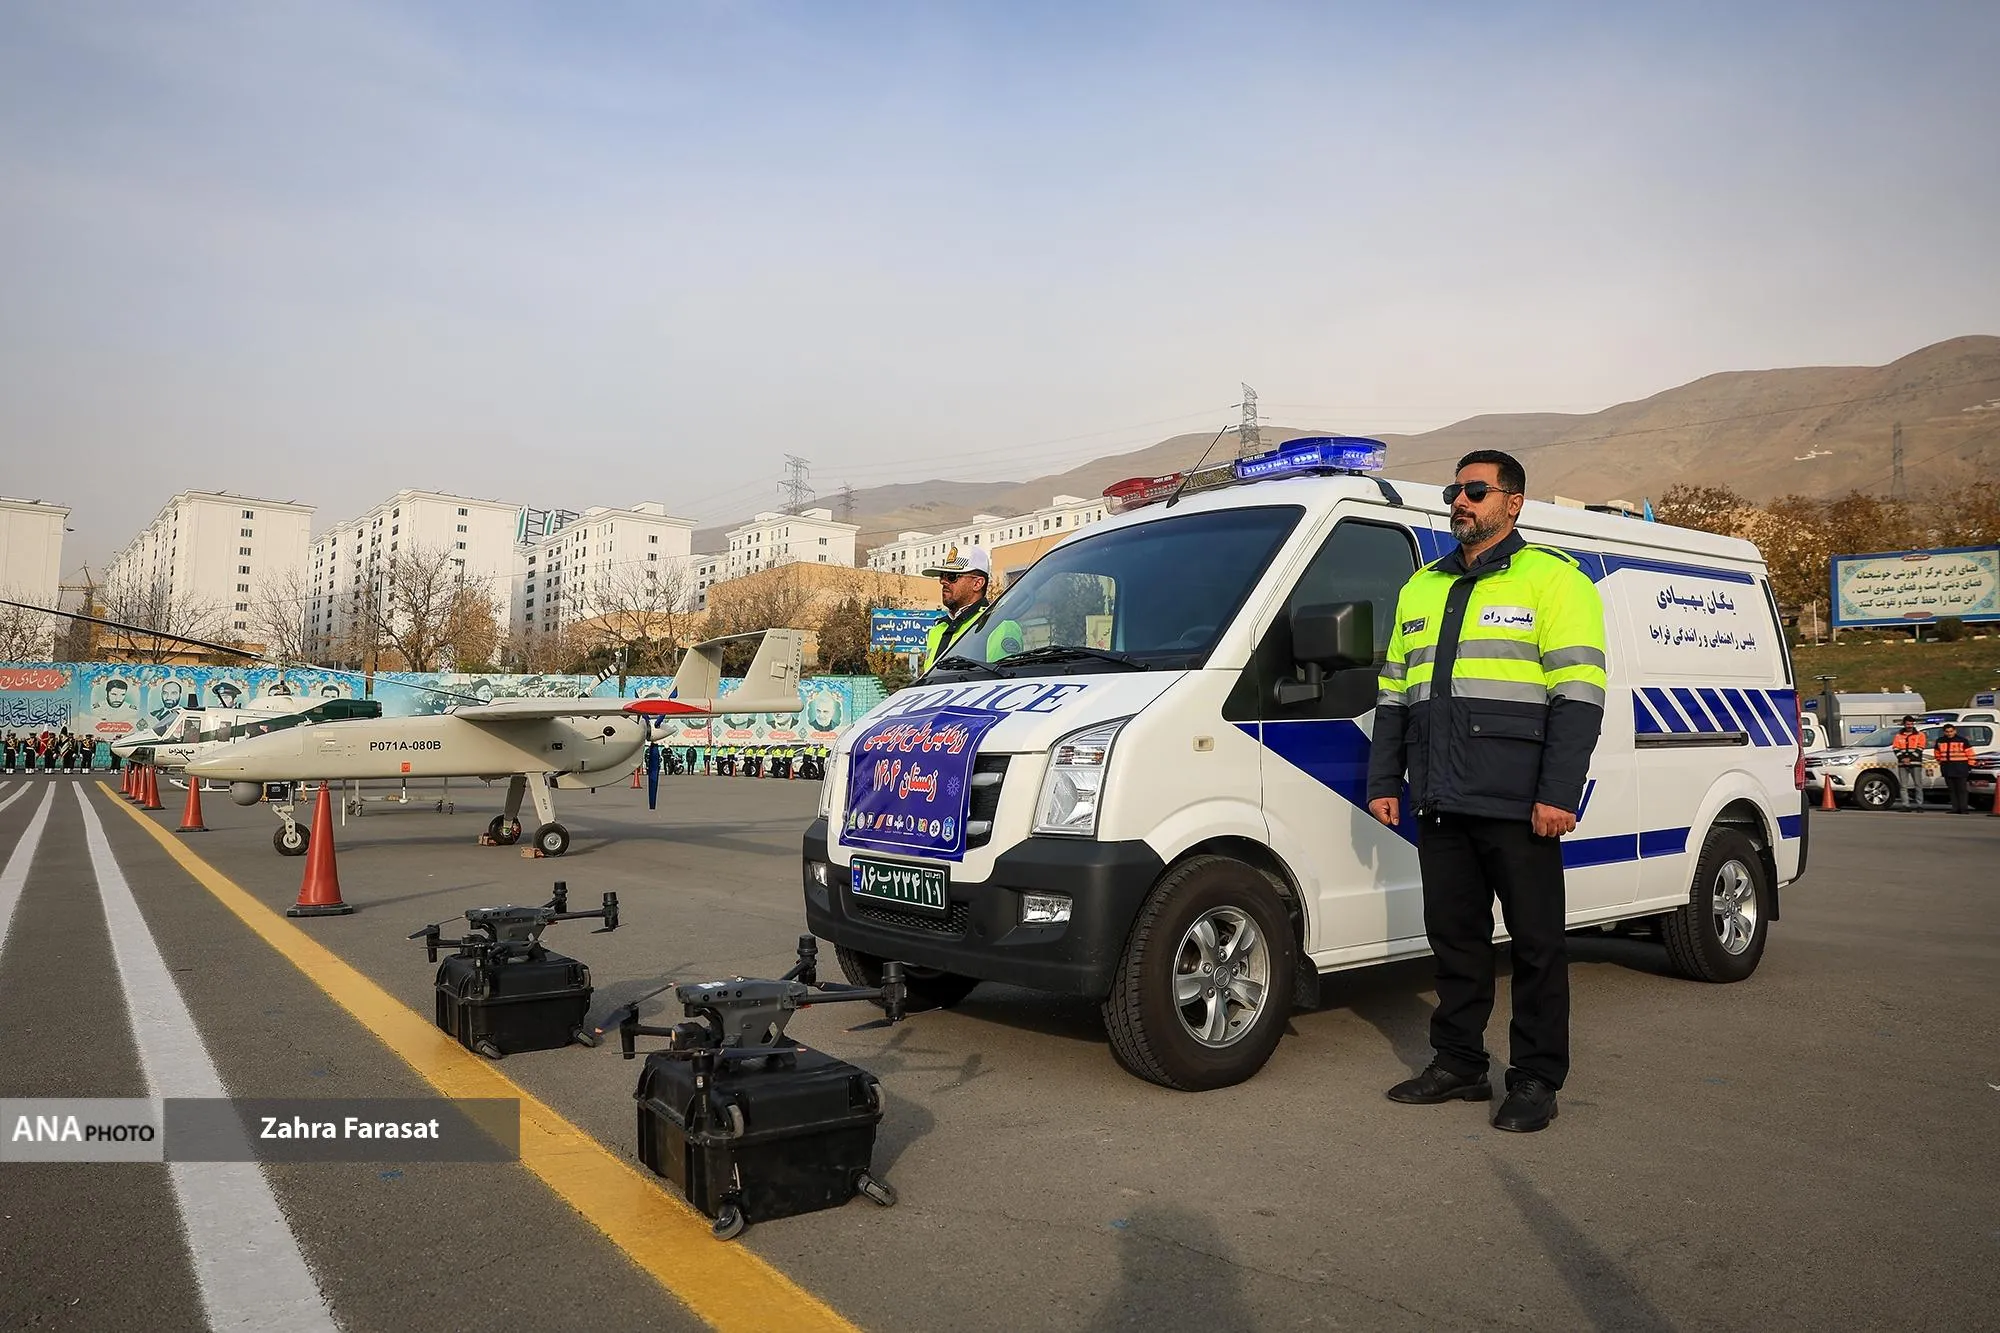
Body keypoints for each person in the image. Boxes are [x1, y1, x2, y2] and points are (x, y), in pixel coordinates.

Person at [1367, 449, 1608, 1134]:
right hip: (1440, 796)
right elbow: (1394, 694)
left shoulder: (1554, 580)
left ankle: (1535, 1077)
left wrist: (1558, 792)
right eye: (1456, 490)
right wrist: (1385, 779)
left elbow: (1579, 695)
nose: (1460, 501)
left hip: (1520, 800)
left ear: (1513, 502)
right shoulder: (1421, 587)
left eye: (1476, 490)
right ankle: (1459, 1063)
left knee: (1536, 945)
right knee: (1455, 941)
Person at [918, 545, 1024, 672]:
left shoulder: (998, 624)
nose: (943, 582)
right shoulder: (938, 629)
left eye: (952, 576)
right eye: (942, 576)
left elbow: (1001, 679)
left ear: (977, 583)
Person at [1934, 723, 1976, 814]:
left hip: (1961, 768)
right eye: (1947, 732)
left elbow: (1970, 754)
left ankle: (1963, 809)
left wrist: (1970, 765)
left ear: (1955, 731)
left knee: (1962, 790)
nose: (1949, 733)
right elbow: (1937, 754)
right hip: (1947, 768)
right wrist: (1941, 763)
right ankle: (1955, 808)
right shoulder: (1940, 741)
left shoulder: (1962, 740)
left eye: (1951, 731)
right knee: (1952, 790)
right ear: (1944, 732)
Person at [1890, 715, 1927, 811]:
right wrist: (1902, 758)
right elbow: (1895, 748)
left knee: (1918, 785)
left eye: (1911, 724)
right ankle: (1905, 805)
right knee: (1903, 786)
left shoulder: (1920, 735)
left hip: (1915, 763)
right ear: (1904, 724)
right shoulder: (1898, 736)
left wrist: (1909, 758)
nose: (1909, 726)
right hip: (1902, 764)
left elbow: (1920, 748)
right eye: (1908, 724)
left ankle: (1919, 805)